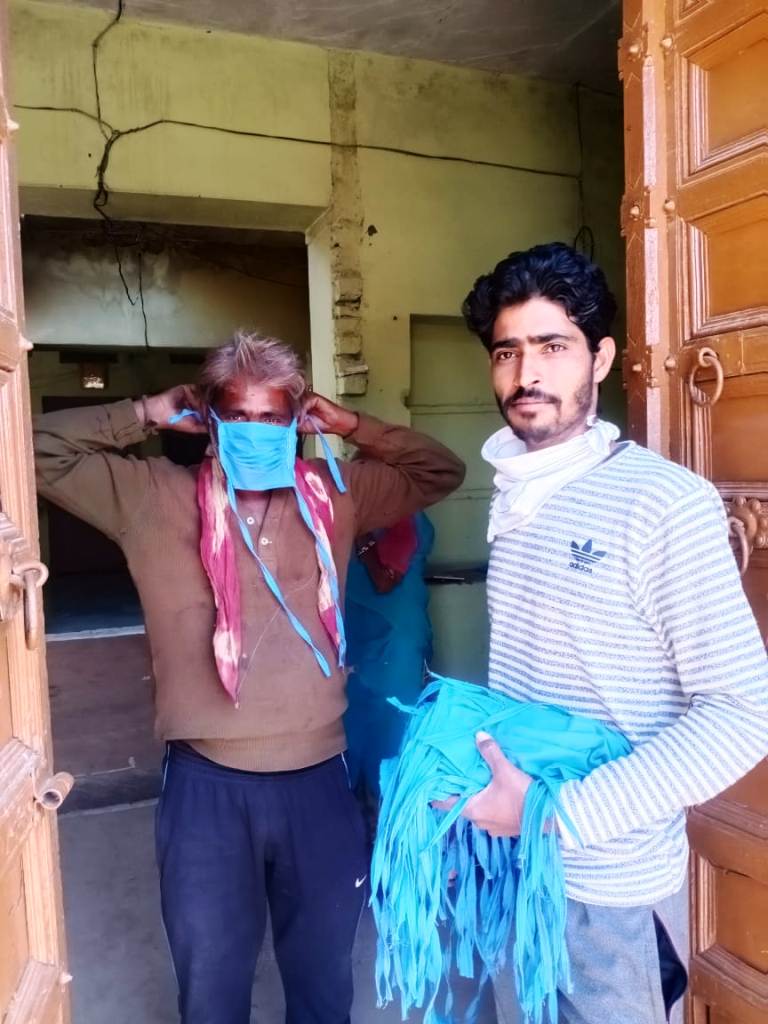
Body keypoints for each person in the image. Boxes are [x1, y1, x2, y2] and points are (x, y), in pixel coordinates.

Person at [34, 330, 465, 1024]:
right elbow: (31, 450)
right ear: (208, 419)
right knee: (211, 988)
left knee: (322, 986)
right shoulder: (152, 496)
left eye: (272, 417)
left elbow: (440, 470)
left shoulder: (336, 494)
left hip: (318, 783)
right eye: (237, 414)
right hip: (205, 787)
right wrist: (145, 412)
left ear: (297, 422)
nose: (255, 431)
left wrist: (351, 425)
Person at [453, 242, 768, 1024]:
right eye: (507, 352)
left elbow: (743, 714)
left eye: (552, 347)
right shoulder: (518, 490)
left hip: (610, 891)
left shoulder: (662, 504)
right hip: (518, 865)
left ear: (600, 357)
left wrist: (553, 814)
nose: (527, 374)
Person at [343, 511, 435, 825]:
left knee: (390, 740)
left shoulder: (400, 514)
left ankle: (387, 835)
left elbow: (385, 579)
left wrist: (361, 538)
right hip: (361, 641)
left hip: (393, 644)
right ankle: (361, 830)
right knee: (354, 737)